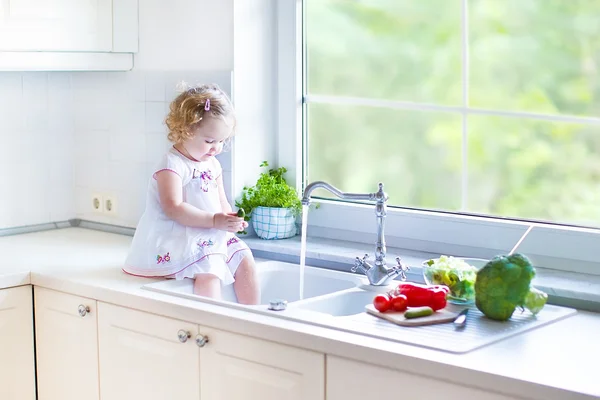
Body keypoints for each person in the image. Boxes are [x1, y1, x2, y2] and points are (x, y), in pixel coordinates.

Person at [123, 83, 260, 305]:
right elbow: (173, 208)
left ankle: (254, 316)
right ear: (185, 130)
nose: (216, 148)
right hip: (178, 236)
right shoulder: (172, 164)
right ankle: (211, 322)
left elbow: (221, 201)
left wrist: (230, 218)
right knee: (209, 271)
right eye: (209, 141)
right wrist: (215, 220)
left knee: (245, 258)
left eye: (222, 141)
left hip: (209, 232)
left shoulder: (212, 164)